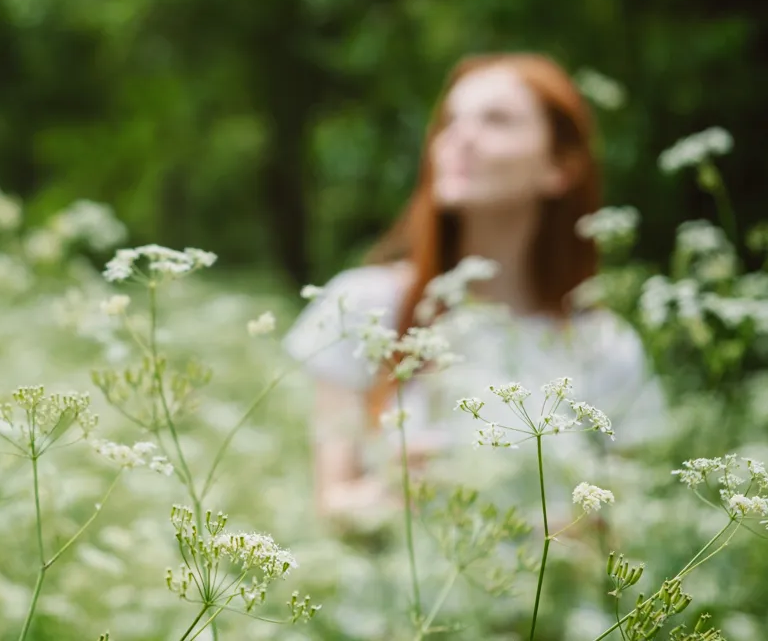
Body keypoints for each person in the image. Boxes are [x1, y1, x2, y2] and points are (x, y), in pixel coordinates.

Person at [282, 53, 666, 529]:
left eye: (496, 121)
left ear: (559, 168)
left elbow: (619, 538)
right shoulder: (365, 305)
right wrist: (391, 493)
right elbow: (332, 508)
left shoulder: (604, 346)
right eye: (451, 121)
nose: (459, 137)